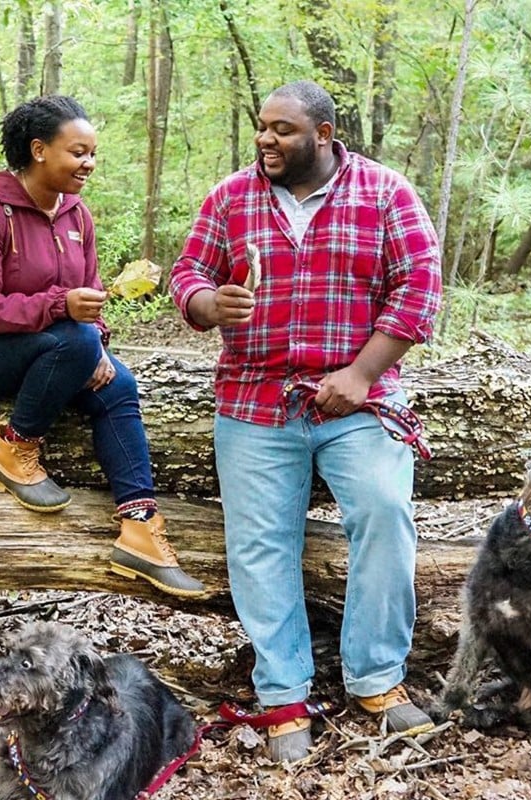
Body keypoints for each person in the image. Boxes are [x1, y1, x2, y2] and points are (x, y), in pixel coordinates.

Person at [169, 80, 442, 760]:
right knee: (260, 545)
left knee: (384, 510)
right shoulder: (231, 198)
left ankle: (377, 678)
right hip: (255, 400)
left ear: (323, 135)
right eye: (262, 127)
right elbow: (188, 273)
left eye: (283, 130)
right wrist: (207, 304)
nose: (266, 139)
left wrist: (360, 374)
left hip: (358, 397)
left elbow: (420, 286)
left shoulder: (384, 192)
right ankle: (285, 694)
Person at [0, 95, 204, 598]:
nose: (88, 164)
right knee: (73, 340)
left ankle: (140, 525)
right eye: (78, 152)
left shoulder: (77, 216)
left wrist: (94, 342)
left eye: (93, 153)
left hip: (46, 343)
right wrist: (67, 320)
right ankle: (15, 449)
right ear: (38, 150)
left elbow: (88, 301)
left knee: (120, 383)